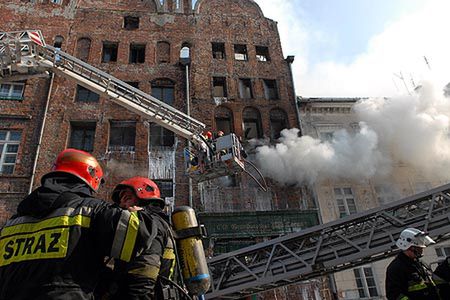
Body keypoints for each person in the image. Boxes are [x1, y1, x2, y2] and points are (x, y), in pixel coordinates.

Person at [0, 149, 155, 300]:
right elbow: (137, 234)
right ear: (91, 177)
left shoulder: (10, 225)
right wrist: (139, 214)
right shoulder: (91, 210)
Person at [104, 176, 180, 300]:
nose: (122, 204)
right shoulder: (162, 223)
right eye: (121, 200)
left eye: (127, 198)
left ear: (143, 198)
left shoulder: (147, 225)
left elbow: (144, 274)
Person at [385, 228, 440, 300]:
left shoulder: (420, 264)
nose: (421, 251)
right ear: (409, 247)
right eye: (419, 248)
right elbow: (394, 295)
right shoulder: (395, 268)